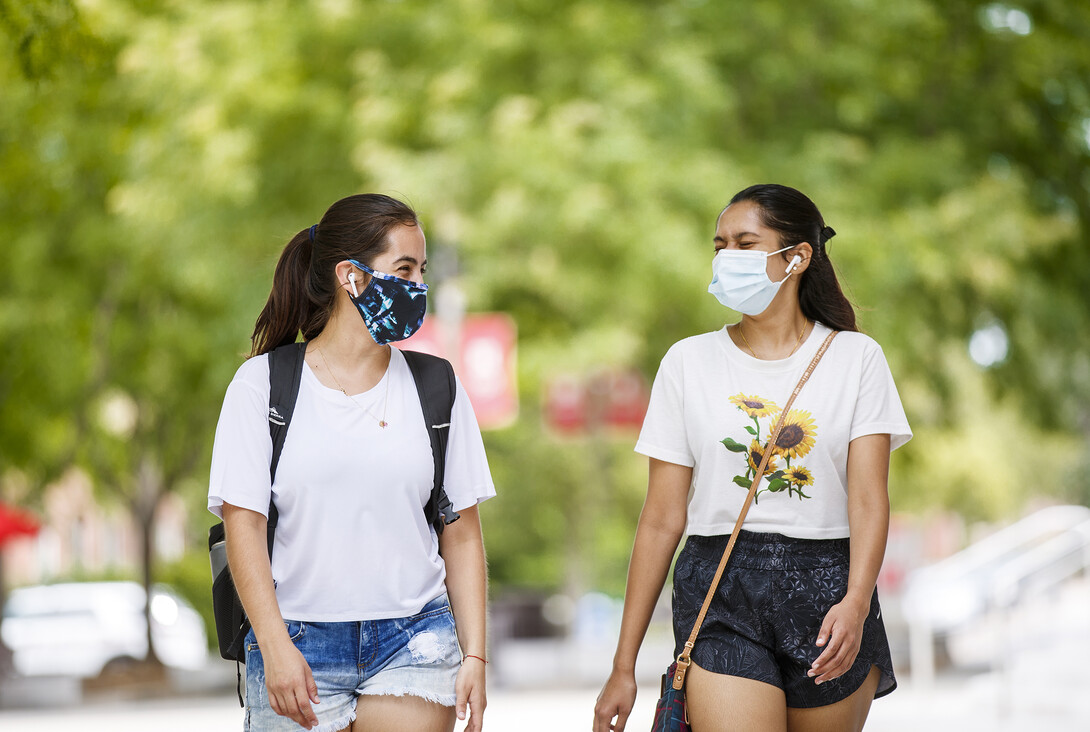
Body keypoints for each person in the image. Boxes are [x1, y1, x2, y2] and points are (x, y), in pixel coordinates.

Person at [594, 184, 911, 732]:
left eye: (745, 244)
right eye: (719, 245)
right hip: (721, 589)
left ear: (797, 257)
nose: (726, 259)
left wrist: (857, 600)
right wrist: (624, 664)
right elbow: (661, 518)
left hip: (830, 591)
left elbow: (867, 499)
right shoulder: (687, 362)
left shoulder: (858, 358)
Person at [208, 194, 494, 732]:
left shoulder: (438, 387)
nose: (417, 288)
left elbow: (460, 532)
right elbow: (242, 524)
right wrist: (272, 645)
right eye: (402, 270)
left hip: (416, 639)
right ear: (350, 276)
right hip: (296, 641)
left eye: (421, 271)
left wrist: (475, 656)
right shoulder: (261, 385)